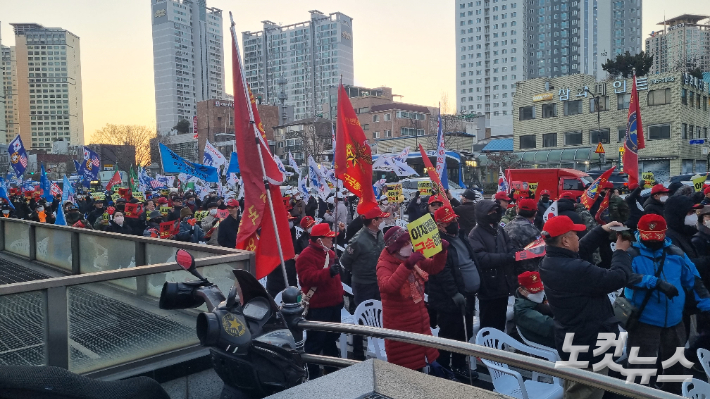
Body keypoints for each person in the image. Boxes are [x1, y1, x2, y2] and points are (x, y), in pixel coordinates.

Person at [538, 216, 632, 399]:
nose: (577, 238)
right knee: (585, 392)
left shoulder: (549, 261)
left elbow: (581, 250)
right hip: (588, 345)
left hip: (573, 339)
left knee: (578, 387)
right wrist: (620, 252)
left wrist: (602, 230)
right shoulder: (575, 269)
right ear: (565, 240)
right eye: (574, 234)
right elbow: (619, 277)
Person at [624, 213, 710, 394]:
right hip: (644, 321)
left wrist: (706, 305)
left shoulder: (676, 254)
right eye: (649, 236)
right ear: (640, 233)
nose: (653, 241)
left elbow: (694, 281)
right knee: (641, 369)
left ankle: (673, 393)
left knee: (676, 367)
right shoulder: (631, 253)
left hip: (674, 320)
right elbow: (624, 277)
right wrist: (653, 282)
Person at [376, 226, 449, 371]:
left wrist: (441, 252)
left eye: (409, 241)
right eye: (405, 243)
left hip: (420, 323)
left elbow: (434, 267)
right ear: (395, 248)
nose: (409, 245)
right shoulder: (384, 264)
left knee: (423, 364)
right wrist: (407, 265)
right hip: (401, 329)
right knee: (407, 370)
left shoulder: (411, 258)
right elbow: (388, 286)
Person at [429, 206, 479, 378]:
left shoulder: (462, 236)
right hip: (449, 298)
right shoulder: (436, 243)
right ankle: (443, 368)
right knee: (449, 334)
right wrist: (454, 293)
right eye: (451, 222)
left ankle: (459, 365)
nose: (455, 224)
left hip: (468, 295)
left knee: (464, 333)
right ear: (440, 225)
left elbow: (470, 259)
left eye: (455, 220)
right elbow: (443, 272)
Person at [295, 223, 344, 379]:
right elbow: (307, 278)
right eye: (328, 237)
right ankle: (313, 375)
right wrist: (327, 272)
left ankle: (332, 371)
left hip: (334, 305)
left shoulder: (329, 252)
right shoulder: (305, 256)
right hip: (319, 307)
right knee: (315, 342)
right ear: (319, 240)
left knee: (331, 339)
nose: (332, 240)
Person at [467, 199, 517, 331]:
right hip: (488, 286)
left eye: (496, 211)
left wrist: (513, 253)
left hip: (503, 285)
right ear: (483, 214)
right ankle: (487, 350)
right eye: (491, 211)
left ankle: (499, 349)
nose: (494, 213)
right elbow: (480, 258)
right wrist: (506, 257)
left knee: (501, 321)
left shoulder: (499, 229)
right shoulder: (475, 234)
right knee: (488, 323)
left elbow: (509, 244)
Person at [340, 207, 389, 306]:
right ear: (374, 221)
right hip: (364, 285)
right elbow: (345, 261)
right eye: (381, 219)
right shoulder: (358, 241)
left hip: (378, 281)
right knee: (366, 314)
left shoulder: (380, 234)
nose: (383, 221)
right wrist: (360, 271)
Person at [513, 271, 555, 348]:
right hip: (547, 345)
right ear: (521, 291)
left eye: (540, 290)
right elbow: (551, 327)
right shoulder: (523, 311)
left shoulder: (540, 301)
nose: (539, 294)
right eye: (535, 291)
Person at [504, 198, 542, 273]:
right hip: (529, 273)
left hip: (509, 271)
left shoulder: (506, 227)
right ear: (535, 213)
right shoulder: (533, 230)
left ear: (517, 210)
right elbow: (541, 253)